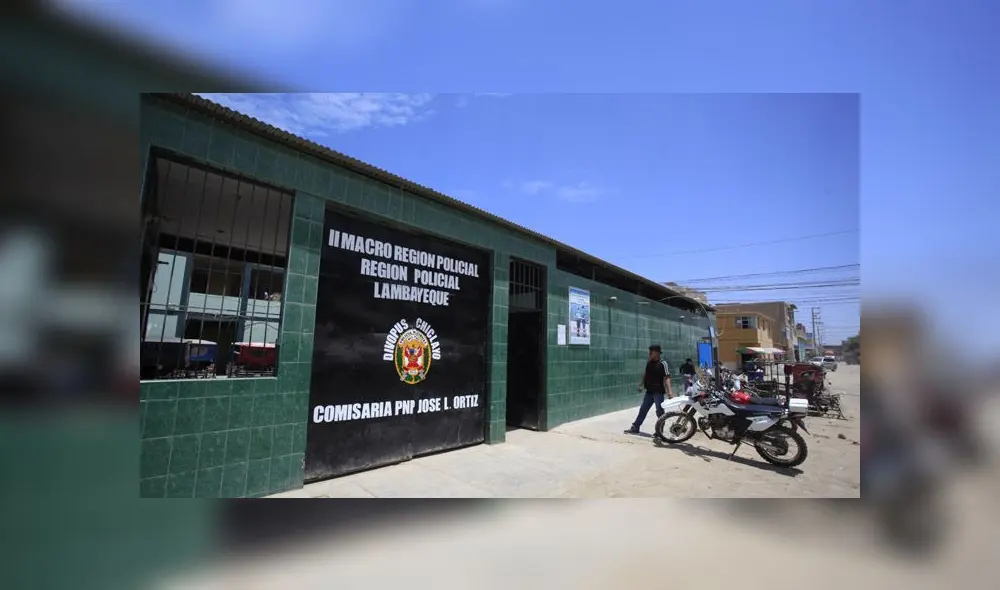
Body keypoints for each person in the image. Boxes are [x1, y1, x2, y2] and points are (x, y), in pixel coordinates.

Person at [624, 344, 673, 434]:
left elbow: (667, 377)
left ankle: (659, 431)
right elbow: (645, 374)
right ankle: (635, 427)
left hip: (658, 392)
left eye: (652, 351)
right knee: (643, 409)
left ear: (657, 353)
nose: (650, 353)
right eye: (650, 351)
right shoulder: (649, 362)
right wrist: (641, 384)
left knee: (660, 411)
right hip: (649, 391)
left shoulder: (663, 363)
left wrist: (670, 391)